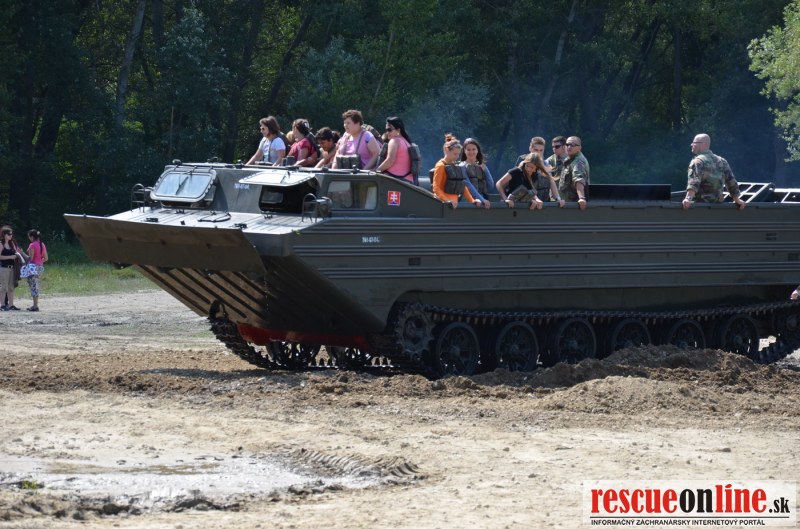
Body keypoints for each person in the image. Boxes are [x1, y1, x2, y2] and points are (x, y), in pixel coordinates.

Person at [682, 133, 746, 211]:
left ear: (703, 144)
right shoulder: (722, 161)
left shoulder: (698, 162)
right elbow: (731, 181)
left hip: (701, 207)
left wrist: (688, 199)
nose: (691, 144)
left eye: (694, 142)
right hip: (718, 207)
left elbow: (694, 183)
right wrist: (737, 199)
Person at [432, 134, 488, 209]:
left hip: (455, 204)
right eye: (455, 154)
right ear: (447, 151)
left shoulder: (456, 166)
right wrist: (447, 200)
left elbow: (462, 186)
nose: (457, 157)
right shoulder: (440, 166)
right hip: (443, 205)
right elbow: (436, 188)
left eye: (458, 154)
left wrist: (472, 200)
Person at [496, 153, 564, 210]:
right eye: (527, 166)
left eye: (532, 167)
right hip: (508, 205)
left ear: (536, 169)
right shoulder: (516, 171)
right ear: (524, 164)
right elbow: (499, 184)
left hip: (521, 206)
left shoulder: (534, 176)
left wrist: (558, 199)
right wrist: (505, 199)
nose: (528, 169)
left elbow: (532, 190)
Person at [377, 117, 414, 183]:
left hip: (395, 181)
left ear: (398, 130)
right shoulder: (406, 141)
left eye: (389, 130)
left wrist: (376, 171)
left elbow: (390, 160)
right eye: (386, 130)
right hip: (407, 181)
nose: (387, 132)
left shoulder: (394, 141)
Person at [19, 229, 47, 312]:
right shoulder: (42, 244)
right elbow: (46, 258)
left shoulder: (32, 245)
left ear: (32, 237)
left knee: (33, 286)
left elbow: (29, 258)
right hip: (40, 267)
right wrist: (39, 262)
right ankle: (35, 305)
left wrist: (21, 253)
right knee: (36, 285)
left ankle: (35, 306)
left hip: (32, 268)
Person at [560, 136, 589, 210]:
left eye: (573, 145)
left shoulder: (578, 161)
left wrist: (581, 198)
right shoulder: (570, 159)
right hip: (566, 203)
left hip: (573, 205)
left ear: (579, 148)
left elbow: (579, 180)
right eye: (567, 144)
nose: (569, 147)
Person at [0, 226, 21, 311]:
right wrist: (10, 257)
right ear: (4, 234)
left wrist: (17, 254)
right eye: (9, 234)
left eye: (11, 234)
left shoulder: (11, 244)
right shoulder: (1, 244)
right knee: (3, 287)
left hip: (12, 268)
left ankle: (11, 305)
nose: (11, 235)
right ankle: (2, 305)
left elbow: (16, 253)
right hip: (4, 268)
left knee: (11, 287)